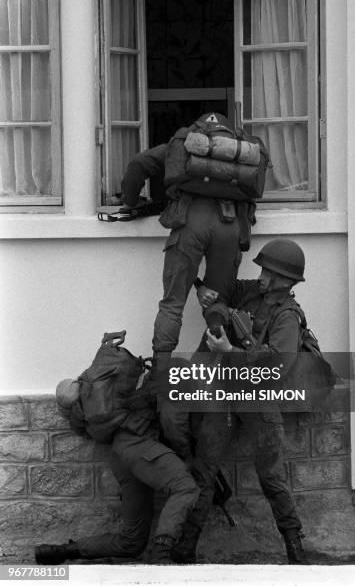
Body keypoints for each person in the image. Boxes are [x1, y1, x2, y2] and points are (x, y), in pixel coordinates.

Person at [171, 238, 309, 565]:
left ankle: (296, 551)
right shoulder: (251, 291)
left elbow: (278, 364)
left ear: (285, 280)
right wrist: (201, 284)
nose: (261, 275)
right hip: (227, 393)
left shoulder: (288, 315)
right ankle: (185, 549)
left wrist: (229, 352)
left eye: (269, 272)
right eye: (262, 269)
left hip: (260, 400)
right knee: (204, 472)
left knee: (271, 478)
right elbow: (224, 291)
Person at [121, 112, 268, 390]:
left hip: (192, 222)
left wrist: (130, 201)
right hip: (230, 227)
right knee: (216, 300)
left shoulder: (185, 144)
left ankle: (161, 378)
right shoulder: (239, 152)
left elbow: (138, 165)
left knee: (172, 303)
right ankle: (214, 375)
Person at [34, 377, 199, 565]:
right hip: (140, 449)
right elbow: (173, 423)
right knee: (185, 487)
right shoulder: (171, 378)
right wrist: (184, 453)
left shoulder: (117, 396)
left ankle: (62, 551)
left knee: (131, 542)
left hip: (121, 455)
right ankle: (161, 554)